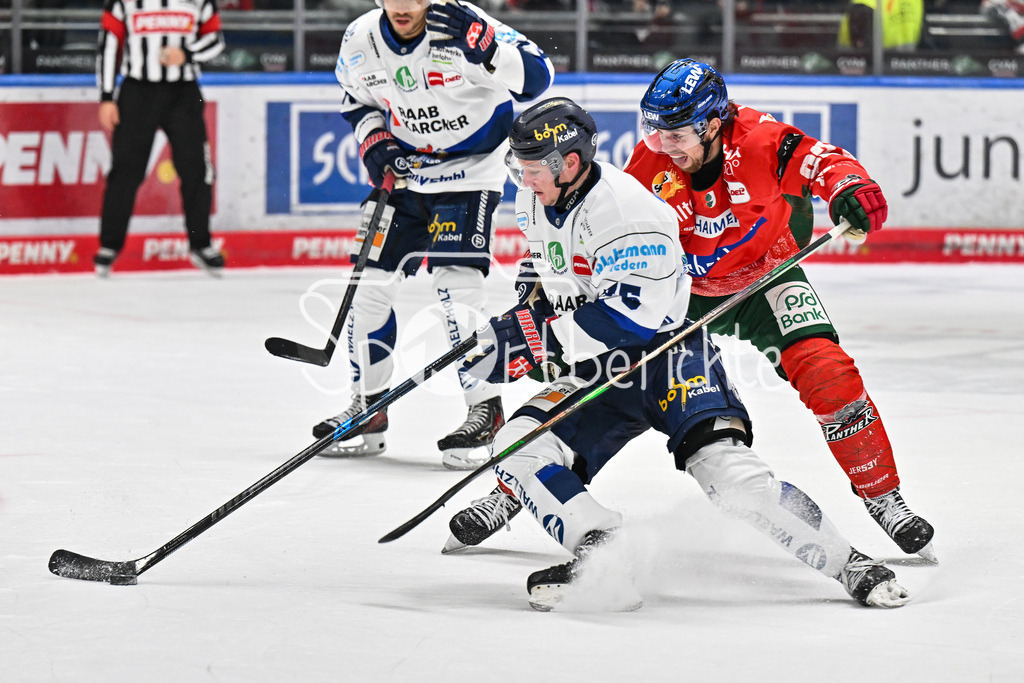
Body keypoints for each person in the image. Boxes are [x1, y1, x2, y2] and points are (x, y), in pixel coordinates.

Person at [447, 97, 910, 612]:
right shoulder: (537, 195)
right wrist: (530, 300)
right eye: (520, 166)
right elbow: (553, 263)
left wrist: (538, 342)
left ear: (569, 163)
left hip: (669, 355)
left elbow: (631, 316)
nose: (522, 177)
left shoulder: (629, 209)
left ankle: (850, 562)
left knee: (732, 479)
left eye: (532, 167)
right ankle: (601, 551)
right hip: (604, 366)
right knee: (518, 445)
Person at [624, 58, 935, 559]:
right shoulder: (646, 165)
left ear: (711, 124)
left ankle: (883, 496)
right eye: (654, 132)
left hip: (768, 278)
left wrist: (851, 190)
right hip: (680, 293)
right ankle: (521, 483)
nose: (663, 145)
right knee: (610, 376)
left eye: (675, 134)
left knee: (828, 371)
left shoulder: (760, 138)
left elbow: (827, 162)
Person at [311, 0, 554, 469]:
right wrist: (374, 140)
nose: (403, 6)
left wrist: (487, 49)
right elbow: (355, 100)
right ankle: (369, 407)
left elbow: (538, 77)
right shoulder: (360, 39)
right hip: (404, 175)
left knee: (455, 285)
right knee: (367, 288)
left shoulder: (462, 24)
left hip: (469, 173)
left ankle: (485, 407)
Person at [94, 0, 227, 277]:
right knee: (126, 170)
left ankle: (200, 243)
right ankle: (109, 245)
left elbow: (215, 40)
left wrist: (187, 53)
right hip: (137, 92)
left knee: (197, 169)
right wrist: (106, 96)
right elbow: (108, 45)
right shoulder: (124, 2)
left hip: (184, 93)